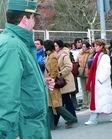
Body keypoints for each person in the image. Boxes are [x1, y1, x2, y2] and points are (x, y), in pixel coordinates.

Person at [0, 0, 54, 138]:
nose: (35, 21)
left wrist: (41, 83)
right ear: (25, 19)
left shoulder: (18, 43)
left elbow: (21, 80)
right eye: (33, 17)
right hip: (24, 128)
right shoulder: (12, 45)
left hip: (30, 125)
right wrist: (7, 133)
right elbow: (7, 93)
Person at [44, 40, 77, 129]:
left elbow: (54, 71)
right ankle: (51, 124)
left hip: (52, 82)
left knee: (55, 104)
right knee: (50, 104)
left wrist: (52, 80)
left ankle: (70, 118)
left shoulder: (52, 57)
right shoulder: (49, 56)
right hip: (49, 82)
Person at [85, 39, 112, 125]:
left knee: (104, 100)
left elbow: (107, 70)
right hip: (98, 82)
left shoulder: (104, 56)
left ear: (101, 46)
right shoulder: (96, 55)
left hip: (101, 82)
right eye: (94, 45)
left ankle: (94, 118)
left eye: (97, 45)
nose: (95, 47)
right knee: (104, 100)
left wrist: (100, 80)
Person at [54, 40, 77, 118]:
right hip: (60, 81)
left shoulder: (64, 55)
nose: (55, 47)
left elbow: (69, 67)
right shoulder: (55, 55)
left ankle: (71, 117)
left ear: (60, 46)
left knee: (66, 100)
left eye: (56, 45)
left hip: (64, 81)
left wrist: (60, 73)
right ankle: (71, 117)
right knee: (65, 100)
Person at [76, 41, 91, 109]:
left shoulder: (91, 53)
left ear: (88, 47)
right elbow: (77, 62)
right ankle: (85, 103)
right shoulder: (80, 53)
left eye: (84, 46)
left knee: (89, 89)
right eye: (82, 46)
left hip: (88, 73)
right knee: (83, 89)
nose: (83, 48)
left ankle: (89, 103)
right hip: (81, 72)